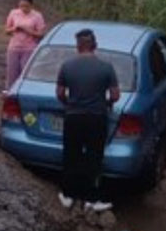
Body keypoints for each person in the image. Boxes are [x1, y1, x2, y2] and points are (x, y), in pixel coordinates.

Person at [55, 29, 119, 212]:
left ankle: (68, 196)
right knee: (94, 157)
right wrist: (106, 103)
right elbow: (115, 95)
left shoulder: (66, 66)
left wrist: (69, 103)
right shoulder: (106, 67)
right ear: (95, 46)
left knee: (71, 155)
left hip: (73, 117)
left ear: (77, 46)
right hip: (97, 118)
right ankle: (91, 199)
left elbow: (60, 93)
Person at [4, 0, 45, 91]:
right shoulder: (13, 13)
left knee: (25, 72)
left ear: (31, 5)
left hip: (29, 48)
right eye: (21, 6)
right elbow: (6, 30)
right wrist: (14, 29)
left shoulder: (37, 16)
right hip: (14, 47)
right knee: (12, 72)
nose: (23, 9)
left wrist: (28, 30)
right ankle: (11, 92)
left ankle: (24, 91)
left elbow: (41, 34)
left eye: (26, 6)